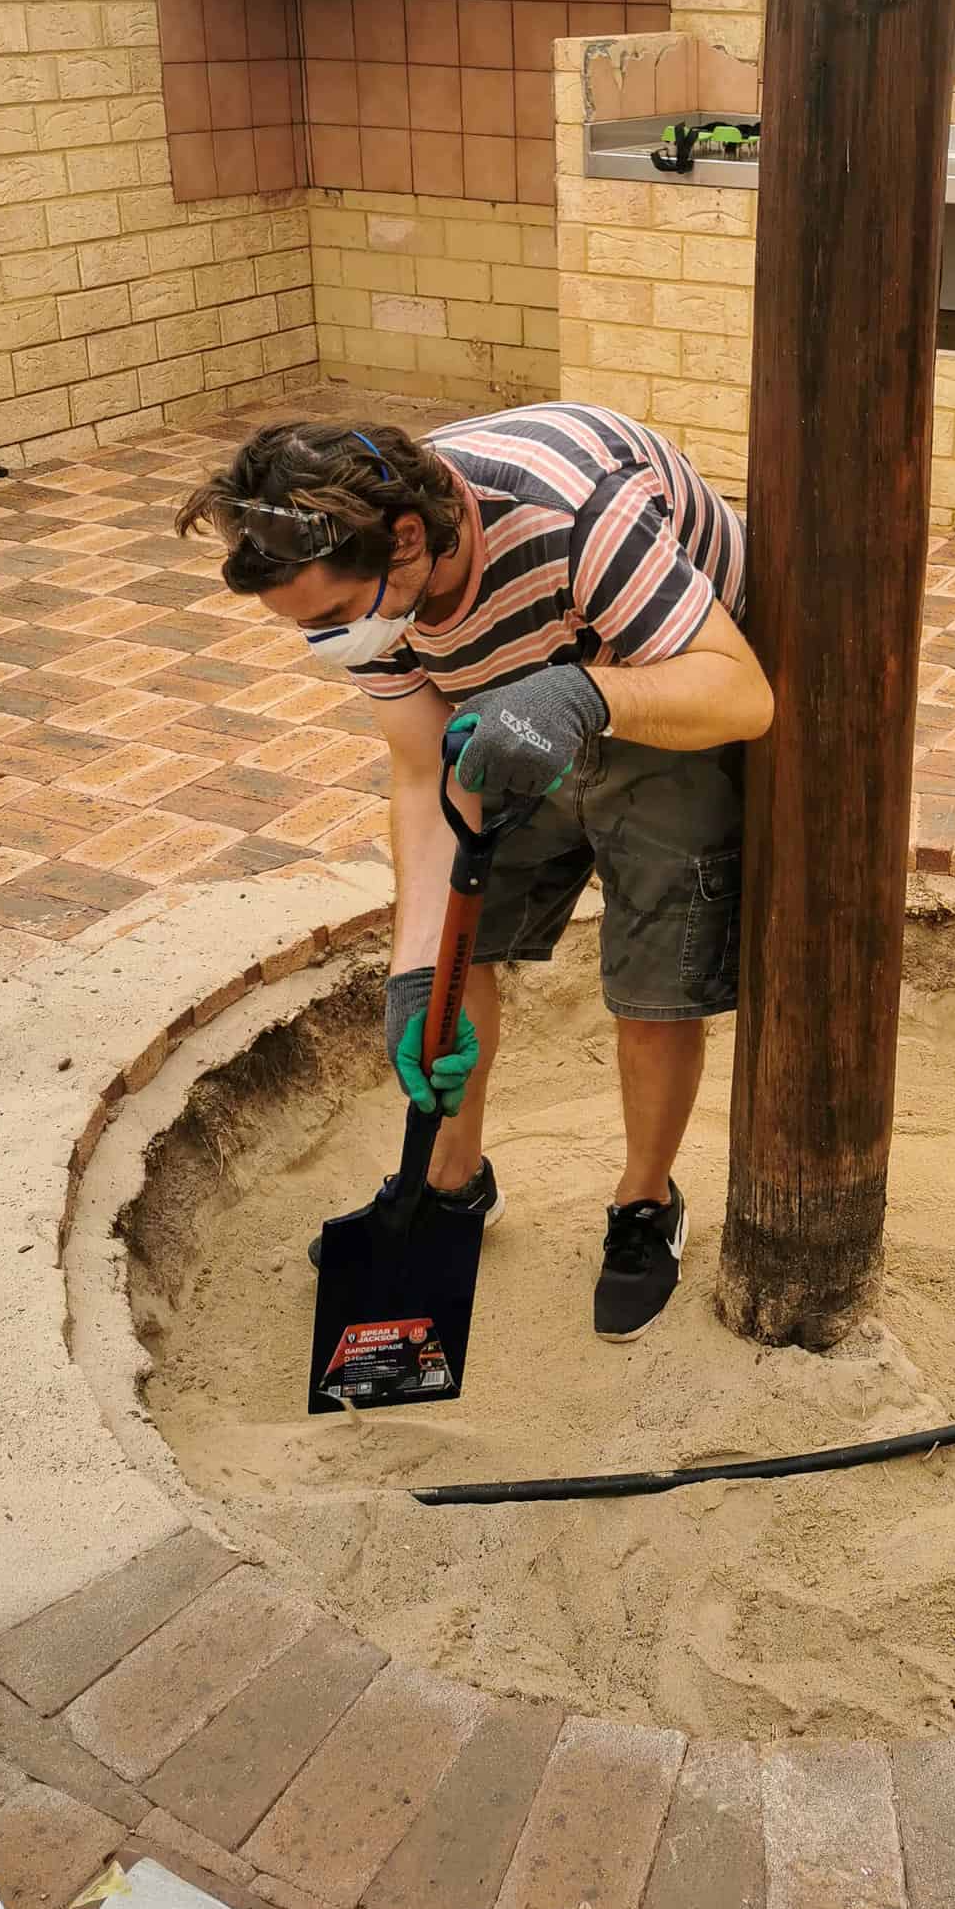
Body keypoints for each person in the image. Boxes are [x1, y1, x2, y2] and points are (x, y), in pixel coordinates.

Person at [176, 407, 771, 1341]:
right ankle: (451, 1186)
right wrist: (419, 976)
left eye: (333, 617)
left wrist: (585, 695)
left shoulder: (580, 516)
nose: (329, 645)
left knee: (656, 968)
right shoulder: (377, 591)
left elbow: (743, 695)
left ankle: (645, 1202)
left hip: (669, 680)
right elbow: (424, 773)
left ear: (407, 539)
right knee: (466, 937)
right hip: (526, 687)